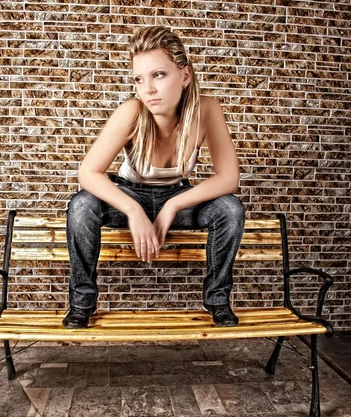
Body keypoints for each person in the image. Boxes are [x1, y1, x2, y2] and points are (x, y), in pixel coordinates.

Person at [63, 26, 245, 329]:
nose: (147, 88)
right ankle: (81, 304)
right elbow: (88, 173)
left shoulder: (207, 110)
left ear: (185, 76)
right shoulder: (132, 111)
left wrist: (172, 207)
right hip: (128, 196)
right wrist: (134, 210)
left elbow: (229, 178)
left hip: (178, 197)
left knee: (230, 209)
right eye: (139, 78)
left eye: (158, 75)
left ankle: (218, 301)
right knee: (81, 206)